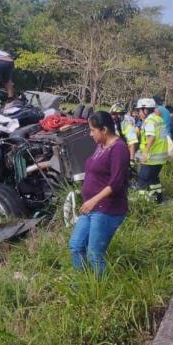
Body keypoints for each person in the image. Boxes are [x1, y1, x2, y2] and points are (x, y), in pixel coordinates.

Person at [68, 111, 130, 276]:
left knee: (94, 253)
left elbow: (116, 183)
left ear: (104, 129)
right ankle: (82, 281)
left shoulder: (119, 149)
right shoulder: (101, 146)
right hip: (92, 208)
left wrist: (93, 200)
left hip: (107, 209)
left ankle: (98, 289)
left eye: (92, 130)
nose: (90, 134)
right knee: (76, 245)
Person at [135, 98, 168, 203]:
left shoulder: (149, 121)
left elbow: (151, 137)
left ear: (145, 110)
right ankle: (158, 200)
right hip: (161, 156)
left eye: (139, 110)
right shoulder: (159, 119)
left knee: (142, 179)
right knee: (154, 179)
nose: (139, 113)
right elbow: (162, 137)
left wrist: (145, 153)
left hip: (152, 157)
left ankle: (142, 203)